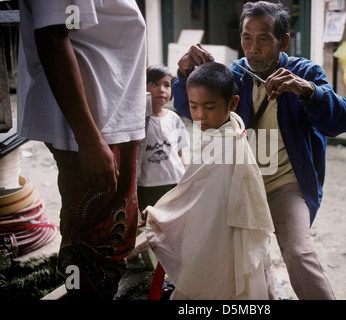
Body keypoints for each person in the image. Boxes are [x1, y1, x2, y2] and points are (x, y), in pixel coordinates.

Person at [173, 1, 346, 300]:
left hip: (285, 183)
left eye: (263, 38)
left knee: (297, 252)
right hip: (242, 181)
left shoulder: (305, 71)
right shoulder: (235, 75)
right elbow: (188, 107)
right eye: (246, 37)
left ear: (283, 41)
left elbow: (341, 121)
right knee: (248, 254)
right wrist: (183, 74)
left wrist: (307, 90)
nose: (253, 48)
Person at [17, 0, 147, 299]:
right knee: (93, 247)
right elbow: (51, 34)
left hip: (107, 119)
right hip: (92, 125)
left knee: (108, 242)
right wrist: (89, 140)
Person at [144, 62, 274, 300]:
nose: (200, 115)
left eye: (209, 106)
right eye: (193, 107)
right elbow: (194, 187)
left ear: (233, 103)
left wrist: (159, 215)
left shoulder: (227, 143)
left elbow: (194, 194)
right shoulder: (227, 127)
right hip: (217, 225)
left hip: (219, 230)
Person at [137, 65, 189, 221]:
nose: (162, 89)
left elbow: (180, 153)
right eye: (155, 84)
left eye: (166, 85)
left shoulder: (174, 119)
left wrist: (185, 179)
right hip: (148, 185)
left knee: (175, 222)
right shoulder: (138, 121)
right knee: (152, 224)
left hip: (175, 182)